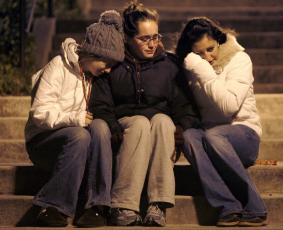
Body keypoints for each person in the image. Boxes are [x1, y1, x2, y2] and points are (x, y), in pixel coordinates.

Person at [89, 1, 200, 227]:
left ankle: (157, 204)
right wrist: (112, 126)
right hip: (125, 132)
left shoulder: (169, 65)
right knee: (139, 123)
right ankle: (124, 205)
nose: (152, 44)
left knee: (162, 121)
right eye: (144, 39)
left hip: (162, 135)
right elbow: (101, 104)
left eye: (156, 37)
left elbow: (186, 106)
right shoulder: (114, 64)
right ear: (128, 38)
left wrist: (183, 126)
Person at [24, 10, 125, 227]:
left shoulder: (92, 77)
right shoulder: (58, 66)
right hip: (43, 142)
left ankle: (97, 206)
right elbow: (40, 114)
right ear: (92, 54)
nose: (108, 71)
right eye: (106, 64)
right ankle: (53, 206)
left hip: (76, 147)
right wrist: (74, 118)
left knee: (98, 127)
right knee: (80, 134)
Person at [175, 17, 267, 227]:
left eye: (210, 49)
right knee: (190, 136)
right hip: (210, 139)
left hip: (244, 135)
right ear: (189, 53)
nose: (208, 57)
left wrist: (201, 69)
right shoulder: (189, 67)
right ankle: (228, 205)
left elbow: (229, 106)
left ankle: (256, 207)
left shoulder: (239, 59)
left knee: (214, 135)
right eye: (199, 53)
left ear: (219, 41)